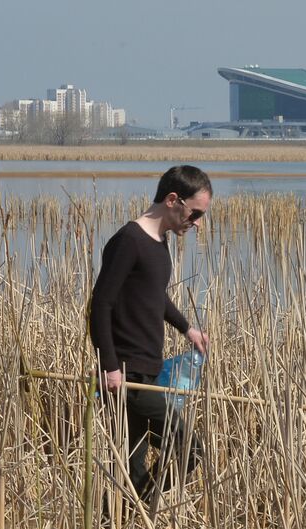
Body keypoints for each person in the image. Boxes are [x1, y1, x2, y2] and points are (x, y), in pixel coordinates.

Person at [88, 164, 211, 504]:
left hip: (148, 371)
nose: (197, 222)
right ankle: (139, 512)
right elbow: (100, 305)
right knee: (190, 448)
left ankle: (122, 525)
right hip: (126, 376)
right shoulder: (128, 241)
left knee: (133, 463)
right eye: (195, 213)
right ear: (173, 200)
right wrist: (109, 367)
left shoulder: (158, 242)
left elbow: (154, 295)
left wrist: (187, 328)